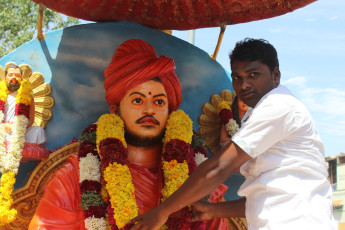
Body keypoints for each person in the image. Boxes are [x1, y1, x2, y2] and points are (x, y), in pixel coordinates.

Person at [130, 38, 336, 230]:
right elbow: (262, 195)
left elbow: (220, 167)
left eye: (253, 75)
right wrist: (211, 210)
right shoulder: (262, 113)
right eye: (237, 77)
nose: (243, 85)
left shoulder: (279, 106)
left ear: (275, 75)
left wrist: (163, 211)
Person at [29, 39, 229, 230]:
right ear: (115, 111)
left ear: (171, 113)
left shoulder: (197, 179)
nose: (149, 110)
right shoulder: (76, 175)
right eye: (137, 100)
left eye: (159, 102)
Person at [0, 64, 48, 164]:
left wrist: (21, 126)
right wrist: (5, 126)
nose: (14, 77)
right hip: (2, 131)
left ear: (21, 78)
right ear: (6, 77)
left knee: (38, 131)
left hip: (20, 130)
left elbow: (31, 119)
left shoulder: (28, 96)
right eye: (11, 75)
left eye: (17, 75)